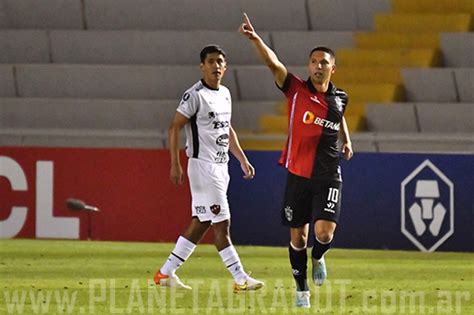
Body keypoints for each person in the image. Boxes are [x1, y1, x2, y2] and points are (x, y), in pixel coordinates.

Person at [240, 14, 353, 308]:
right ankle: (301, 288)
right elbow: (273, 64)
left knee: (323, 233)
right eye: (314, 61)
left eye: (323, 62)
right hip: (298, 173)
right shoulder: (295, 89)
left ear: (332, 68)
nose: (318, 66)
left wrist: (347, 139)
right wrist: (256, 40)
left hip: (329, 173)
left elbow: (340, 118)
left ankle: (319, 257)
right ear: (309, 66)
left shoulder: (340, 97)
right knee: (298, 238)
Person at [154, 45, 264, 292]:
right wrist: (175, 163)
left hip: (221, 167)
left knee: (201, 221)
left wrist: (241, 158)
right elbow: (174, 127)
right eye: (211, 61)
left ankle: (165, 273)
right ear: (202, 66)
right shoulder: (194, 95)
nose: (216, 66)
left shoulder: (225, 93)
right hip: (203, 167)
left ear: (226, 67)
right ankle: (240, 278)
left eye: (220, 62)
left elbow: (227, 128)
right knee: (222, 224)